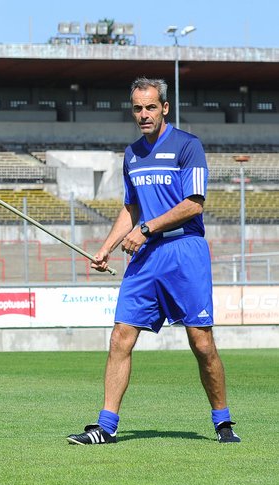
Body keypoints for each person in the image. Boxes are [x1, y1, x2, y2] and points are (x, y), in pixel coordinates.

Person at [67, 77, 239, 445]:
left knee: (202, 343)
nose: (143, 114)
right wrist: (107, 246)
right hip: (144, 259)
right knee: (120, 338)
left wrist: (144, 230)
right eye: (137, 108)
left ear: (164, 108)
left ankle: (223, 422)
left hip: (184, 253)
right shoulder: (131, 154)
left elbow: (194, 203)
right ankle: (106, 427)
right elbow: (131, 207)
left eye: (150, 107)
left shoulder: (188, 146)